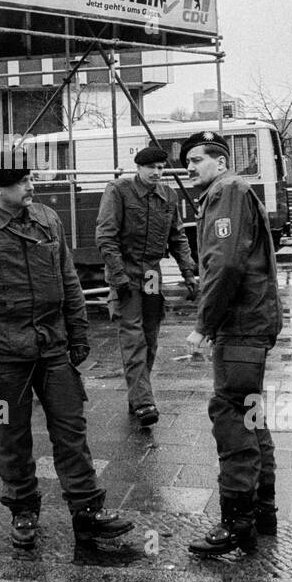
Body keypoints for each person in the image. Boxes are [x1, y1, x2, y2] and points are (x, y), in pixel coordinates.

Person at [0, 157, 134, 551]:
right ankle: (23, 510)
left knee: (72, 430)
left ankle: (87, 512)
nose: (30, 186)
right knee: (11, 435)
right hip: (2, 358)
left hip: (53, 349)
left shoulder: (47, 217)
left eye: (30, 178)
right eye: (21, 181)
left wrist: (78, 331)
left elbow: (68, 278)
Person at [180, 132, 283, 557]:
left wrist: (204, 325)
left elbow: (225, 264)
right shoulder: (226, 193)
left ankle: (236, 523)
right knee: (249, 411)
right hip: (250, 320)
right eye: (187, 161)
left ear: (220, 163)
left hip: (240, 323)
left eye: (198, 159)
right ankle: (262, 511)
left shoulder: (227, 192)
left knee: (231, 414)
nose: (189, 167)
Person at [95, 145, 198, 428]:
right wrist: (119, 277)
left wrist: (188, 271)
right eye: (151, 167)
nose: (157, 172)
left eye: (161, 167)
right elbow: (106, 236)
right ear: (138, 168)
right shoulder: (118, 190)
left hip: (152, 274)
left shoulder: (168, 195)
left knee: (150, 338)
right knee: (133, 338)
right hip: (126, 272)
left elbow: (177, 237)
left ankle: (138, 394)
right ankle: (143, 402)